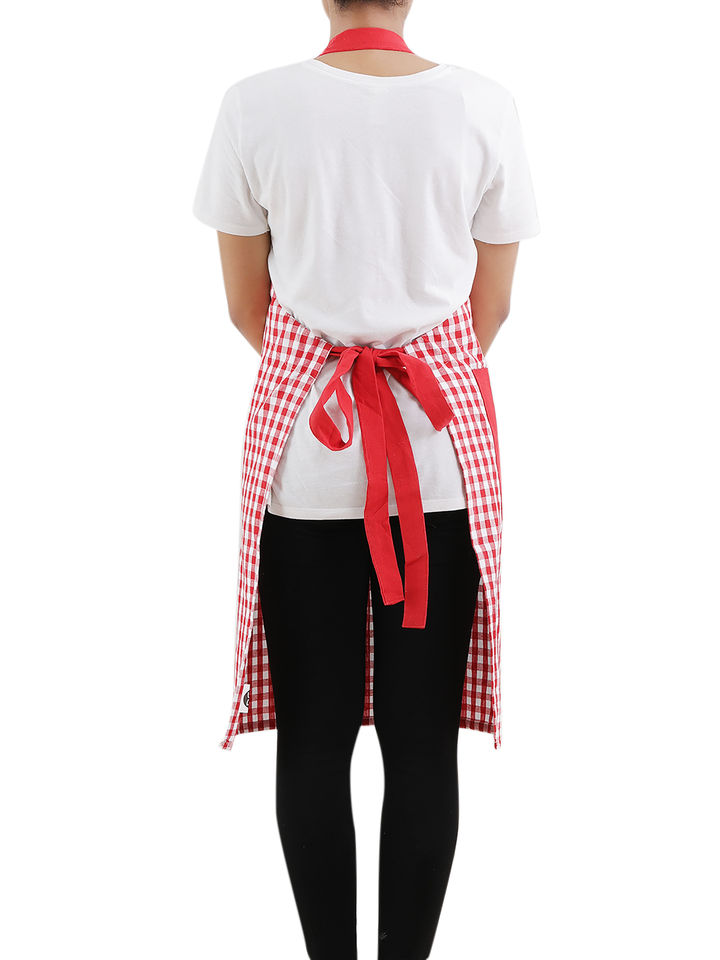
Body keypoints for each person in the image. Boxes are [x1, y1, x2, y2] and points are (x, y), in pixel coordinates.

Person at [192, 1, 540, 958]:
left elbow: (246, 305)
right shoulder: (483, 104)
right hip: (441, 474)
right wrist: (407, 388)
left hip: (304, 474)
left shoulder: (254, 104)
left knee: (313, 740)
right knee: (422, 745)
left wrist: (336, 388)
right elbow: (492, 306)